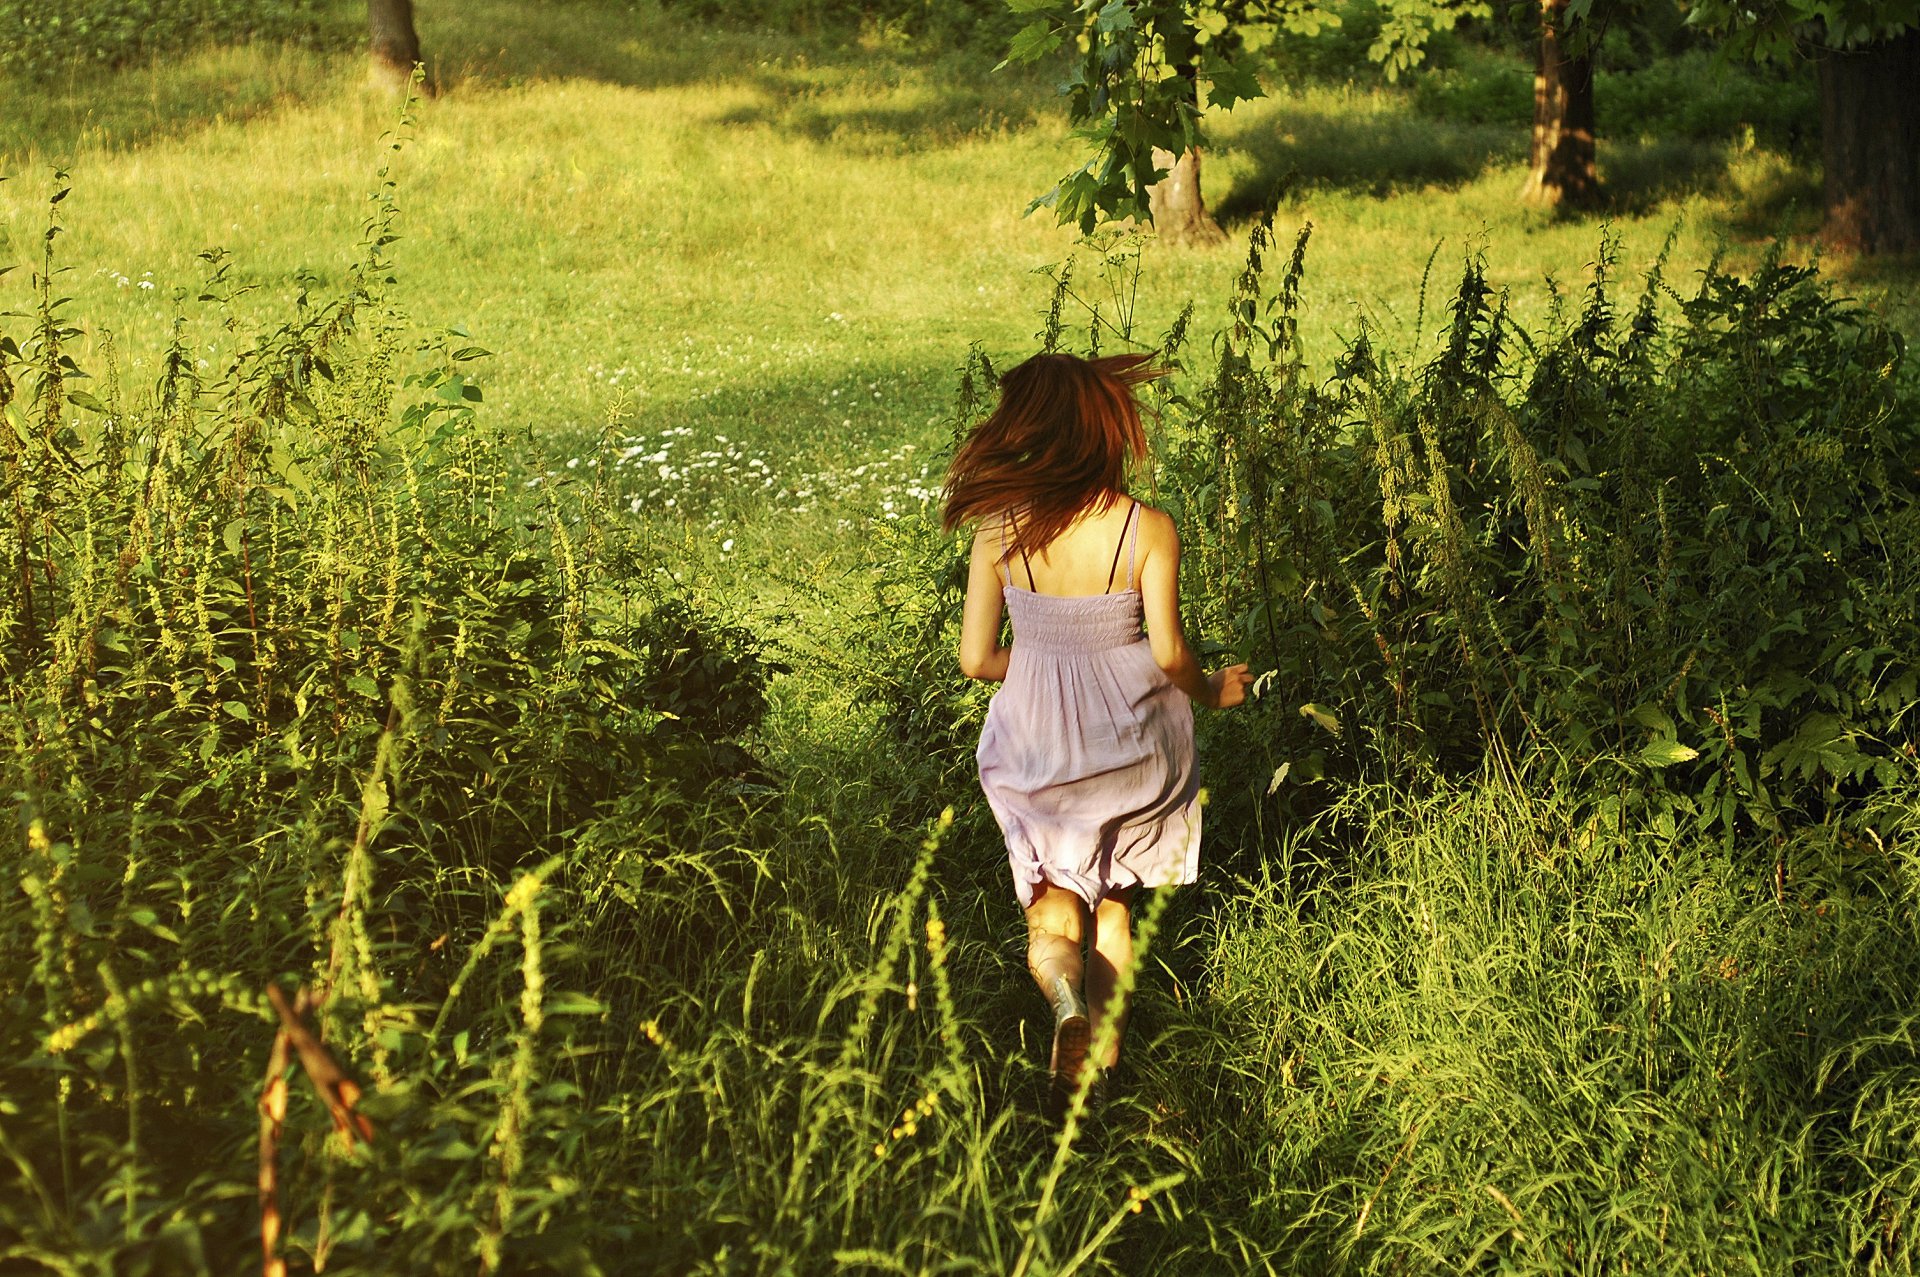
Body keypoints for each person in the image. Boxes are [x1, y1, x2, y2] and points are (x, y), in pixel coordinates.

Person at [941, 350, 1252, 1107]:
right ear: (1099, 434)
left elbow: (976, 658)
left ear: (1030, 434)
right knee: (1113, 904)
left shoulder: (997, 531)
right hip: (1131, 746)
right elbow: (1171, 652)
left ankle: (1066, 1006)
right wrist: (1214, 692)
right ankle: (1103, 1081)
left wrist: (1045, 654)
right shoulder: (1146, 528)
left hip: (1040, 746)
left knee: (1054, 906)